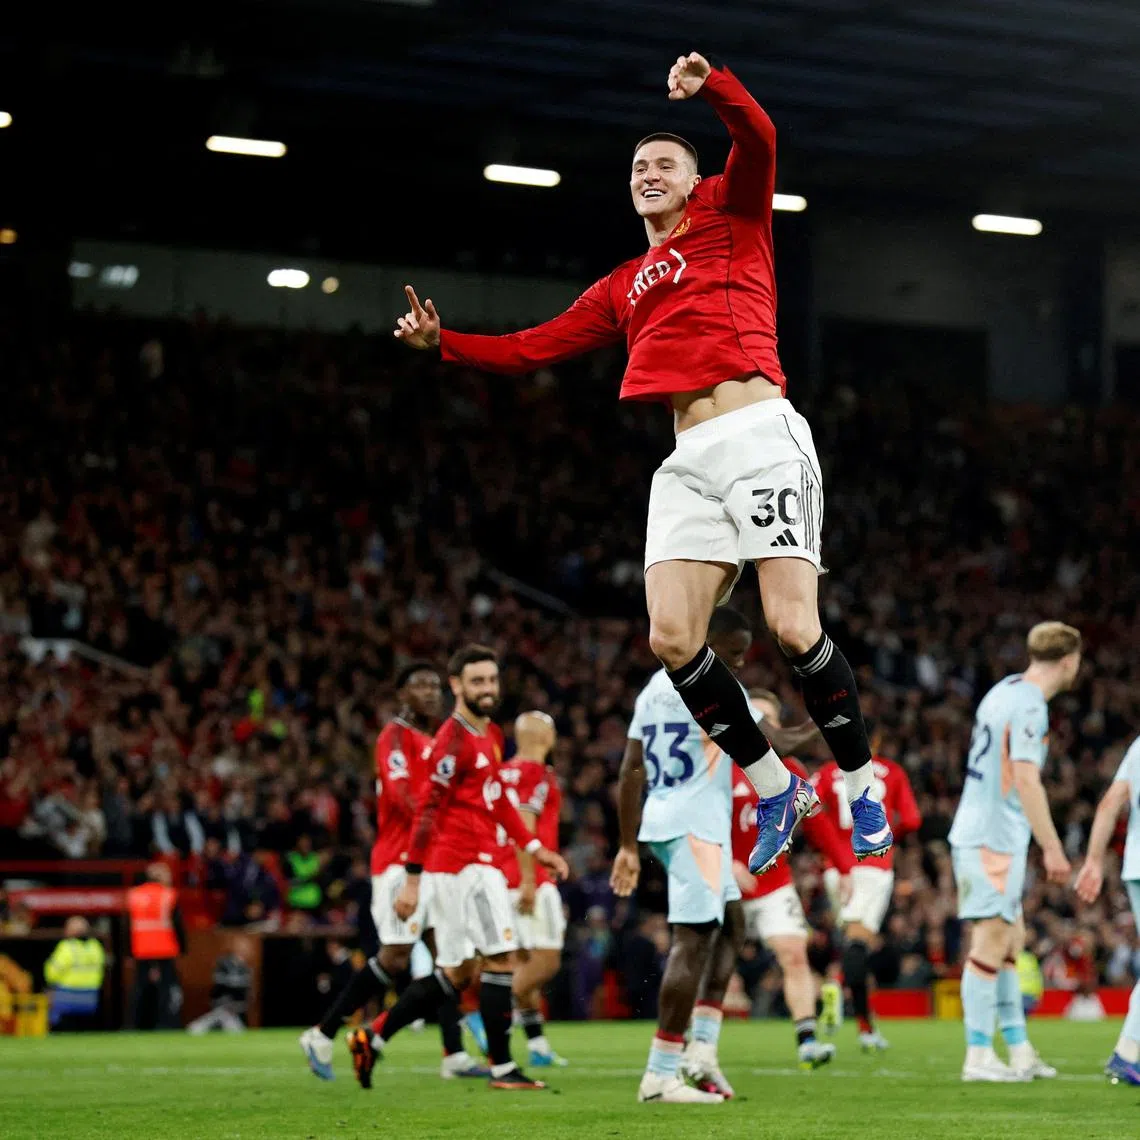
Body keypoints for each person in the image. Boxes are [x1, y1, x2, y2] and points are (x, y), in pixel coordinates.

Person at [392, 50, 892, 877]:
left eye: (664, 163)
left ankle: (861, 780)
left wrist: (715, 89)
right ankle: (776, 788)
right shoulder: (624, 284)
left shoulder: (733, 214)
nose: (648, 173)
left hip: (760, 432)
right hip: (687, 458)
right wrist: (443, 343)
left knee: (794, 625)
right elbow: (530, 347)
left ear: (695, 182)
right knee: (670, 638)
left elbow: (759, 138)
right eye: (638, 167)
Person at [346, 645, 568, 1091]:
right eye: (477, 682)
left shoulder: (487, 733)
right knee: (501, 959)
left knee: (457, 971)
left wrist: (534, 847)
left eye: (492, 680)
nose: (487, 689)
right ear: (457, 686)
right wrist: (412, 880)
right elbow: (426, 809)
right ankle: (504, 1069)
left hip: (471, 863)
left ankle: (371, 1037)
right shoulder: (453, 738)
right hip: (465, 867)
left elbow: (499, 799)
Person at [301, 664, 484, 1082]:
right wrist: (448, 814)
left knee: (450, 958)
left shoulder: (441, 739)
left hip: (436, 861)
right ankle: (323, 1032)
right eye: (418, 685)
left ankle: (453, 1054)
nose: (429, 692)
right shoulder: (394, 737)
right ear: (401, 692)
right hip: (399, 862)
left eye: (435, 685)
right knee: (396, 955)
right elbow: (403, 797)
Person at [613, 607, 760, 1104]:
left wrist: (628, 844)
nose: (739, 661)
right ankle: (661, 1073)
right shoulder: (711, 682)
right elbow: (768, 742)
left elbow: (632, 769)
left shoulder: (654, 687)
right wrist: (834, 728)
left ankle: (702, 1050)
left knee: (733, 923)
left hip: (669, 817)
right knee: (694, 939)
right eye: (734, 649)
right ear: (708, 638)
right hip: (695, 823)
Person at [949, 621, 1081, 1082]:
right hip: (991, 838)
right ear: (1070, 661)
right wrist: (1053, 848)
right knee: (990, 942)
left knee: (1010, 942)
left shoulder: (1002, 690)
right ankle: (979, 1056)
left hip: (992, 834)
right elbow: (1025, 779)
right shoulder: (1029, 707)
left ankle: (1020, 1050)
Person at [732, 690, 853, 1069]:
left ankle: (806, 1041)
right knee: (708, 964)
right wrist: (726, 864)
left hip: (772, 883)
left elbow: (818, 825)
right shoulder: (720, 763)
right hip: (722, 882)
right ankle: (687, 1042)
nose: (760, 726)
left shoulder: (790, 768)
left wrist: (845, 867)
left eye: (767, 719)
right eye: (754, 718)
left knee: (795, 955)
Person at [812, 721, 922, 1051]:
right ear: (875, 739)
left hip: (837, 869)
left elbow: (809, 810)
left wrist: (831, 849)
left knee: (852, 943)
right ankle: (837, 985)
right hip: (874, 865)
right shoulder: (891, 772)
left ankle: (865, 1027)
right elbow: (913, 820)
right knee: (860, 946)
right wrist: (889, 834)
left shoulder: (828, 771)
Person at [498, 710, 569, 1068]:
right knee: (546, 961)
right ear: (546, 738)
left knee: (523, 963)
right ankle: (490, 1013)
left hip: (498, 877)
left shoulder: (499, 773)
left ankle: (537, 1044)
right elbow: (524, 824)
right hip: (530, 879)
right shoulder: (538, 774)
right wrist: (528, 880)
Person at [1074, 733, 1140, 1086]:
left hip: (1135, 866)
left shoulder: (1138, 746)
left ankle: (1127, 1052)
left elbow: (1110, 803)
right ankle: (1126, 1052)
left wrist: (1094, 862)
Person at [127, 862, 187, 1030]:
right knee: (167, 989)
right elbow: (177, 924)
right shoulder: (168, 895)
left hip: (141, 948)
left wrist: (129, 953)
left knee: (139, 989)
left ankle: (135, 1024)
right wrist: (182, 949)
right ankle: (167, 1024)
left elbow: (127, 926)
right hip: (164, 948)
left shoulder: (134, 895)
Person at [43, 916, 105, 1030]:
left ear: (71, 931)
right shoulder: (95, 946)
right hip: (90, 998)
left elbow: (51, 974)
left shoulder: (67, 947)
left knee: (47, 993)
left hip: (66, 997)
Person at [187, 941, 253, 1035]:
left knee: (236, 1031)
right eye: (242, 949)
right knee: (198, 1028)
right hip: (222, 1007)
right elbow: (218, 988)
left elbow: (245, 994)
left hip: (236, 1010)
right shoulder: (223, 965)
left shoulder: (245, 968)